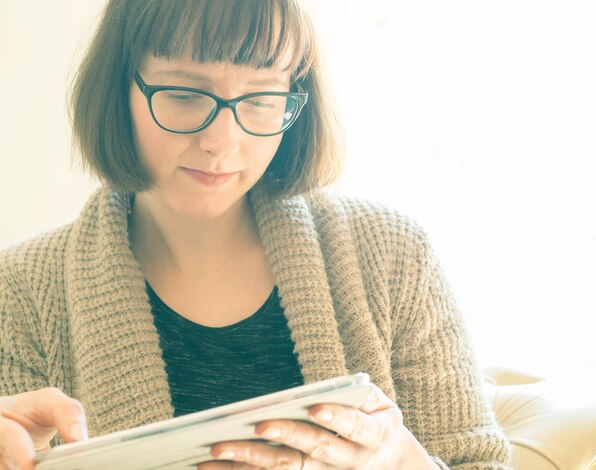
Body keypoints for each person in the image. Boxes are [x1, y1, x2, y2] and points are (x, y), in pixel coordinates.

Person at [0, 1, 512, 469]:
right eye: (182, 95)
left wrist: (401, 460)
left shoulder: (395, 254)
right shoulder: (22, 289)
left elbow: (479, 462)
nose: (222, 143)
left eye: (262, 99)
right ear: (117, 88)